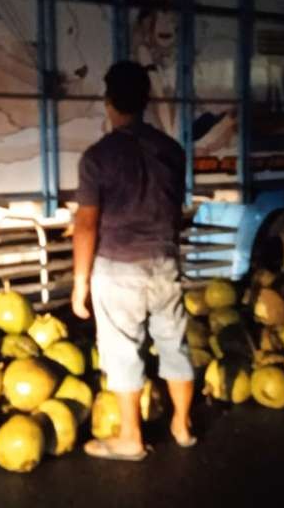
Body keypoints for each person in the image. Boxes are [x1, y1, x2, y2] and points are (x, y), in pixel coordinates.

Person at [71, 61, 196, 461]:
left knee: (124, 351)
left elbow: (87, 225)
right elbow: (169, 205)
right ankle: (182, 425)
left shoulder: (97, 157)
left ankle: (130, 438)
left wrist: (80, 283)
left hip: (118, 268)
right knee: (174, 344)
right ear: (145, 101)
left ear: (108, 103)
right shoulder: (172, 151)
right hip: (164, 261)